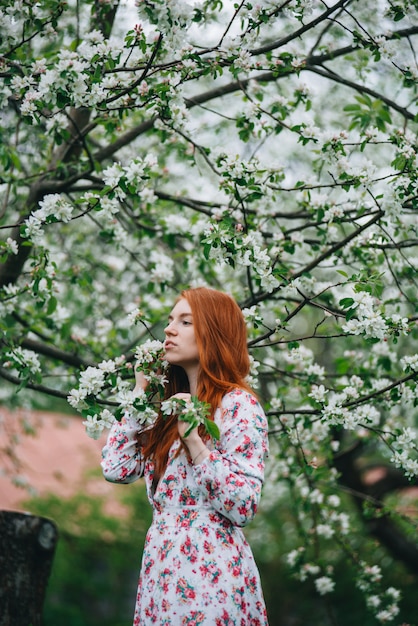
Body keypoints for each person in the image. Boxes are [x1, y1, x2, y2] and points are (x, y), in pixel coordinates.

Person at [101, 286, 269, 625]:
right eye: (170, 320)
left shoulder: (239, 406)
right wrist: (140, 392)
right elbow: (116, 468)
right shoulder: (164, 409)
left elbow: (243, 506)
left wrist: (195, 443)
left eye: (185, 321)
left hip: (211, 571)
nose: (168, 329)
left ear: (214, 333)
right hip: (161, 566)